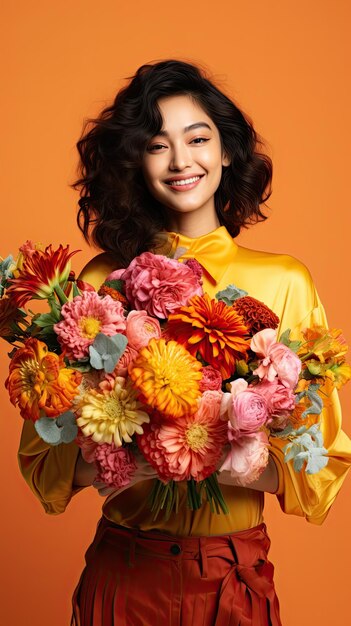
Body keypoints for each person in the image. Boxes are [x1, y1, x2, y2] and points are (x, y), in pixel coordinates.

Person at [18, 59, 351, 626]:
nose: (180, 161)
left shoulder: (285, 281)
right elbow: (44, 462)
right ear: (134, 163)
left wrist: (209, 452)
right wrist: (132, 459)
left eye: (198, 138)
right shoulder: (100, 282)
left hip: (233, 576)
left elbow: (317, 470)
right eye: (156, 145)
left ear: (226, 152)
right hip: (124, 573)